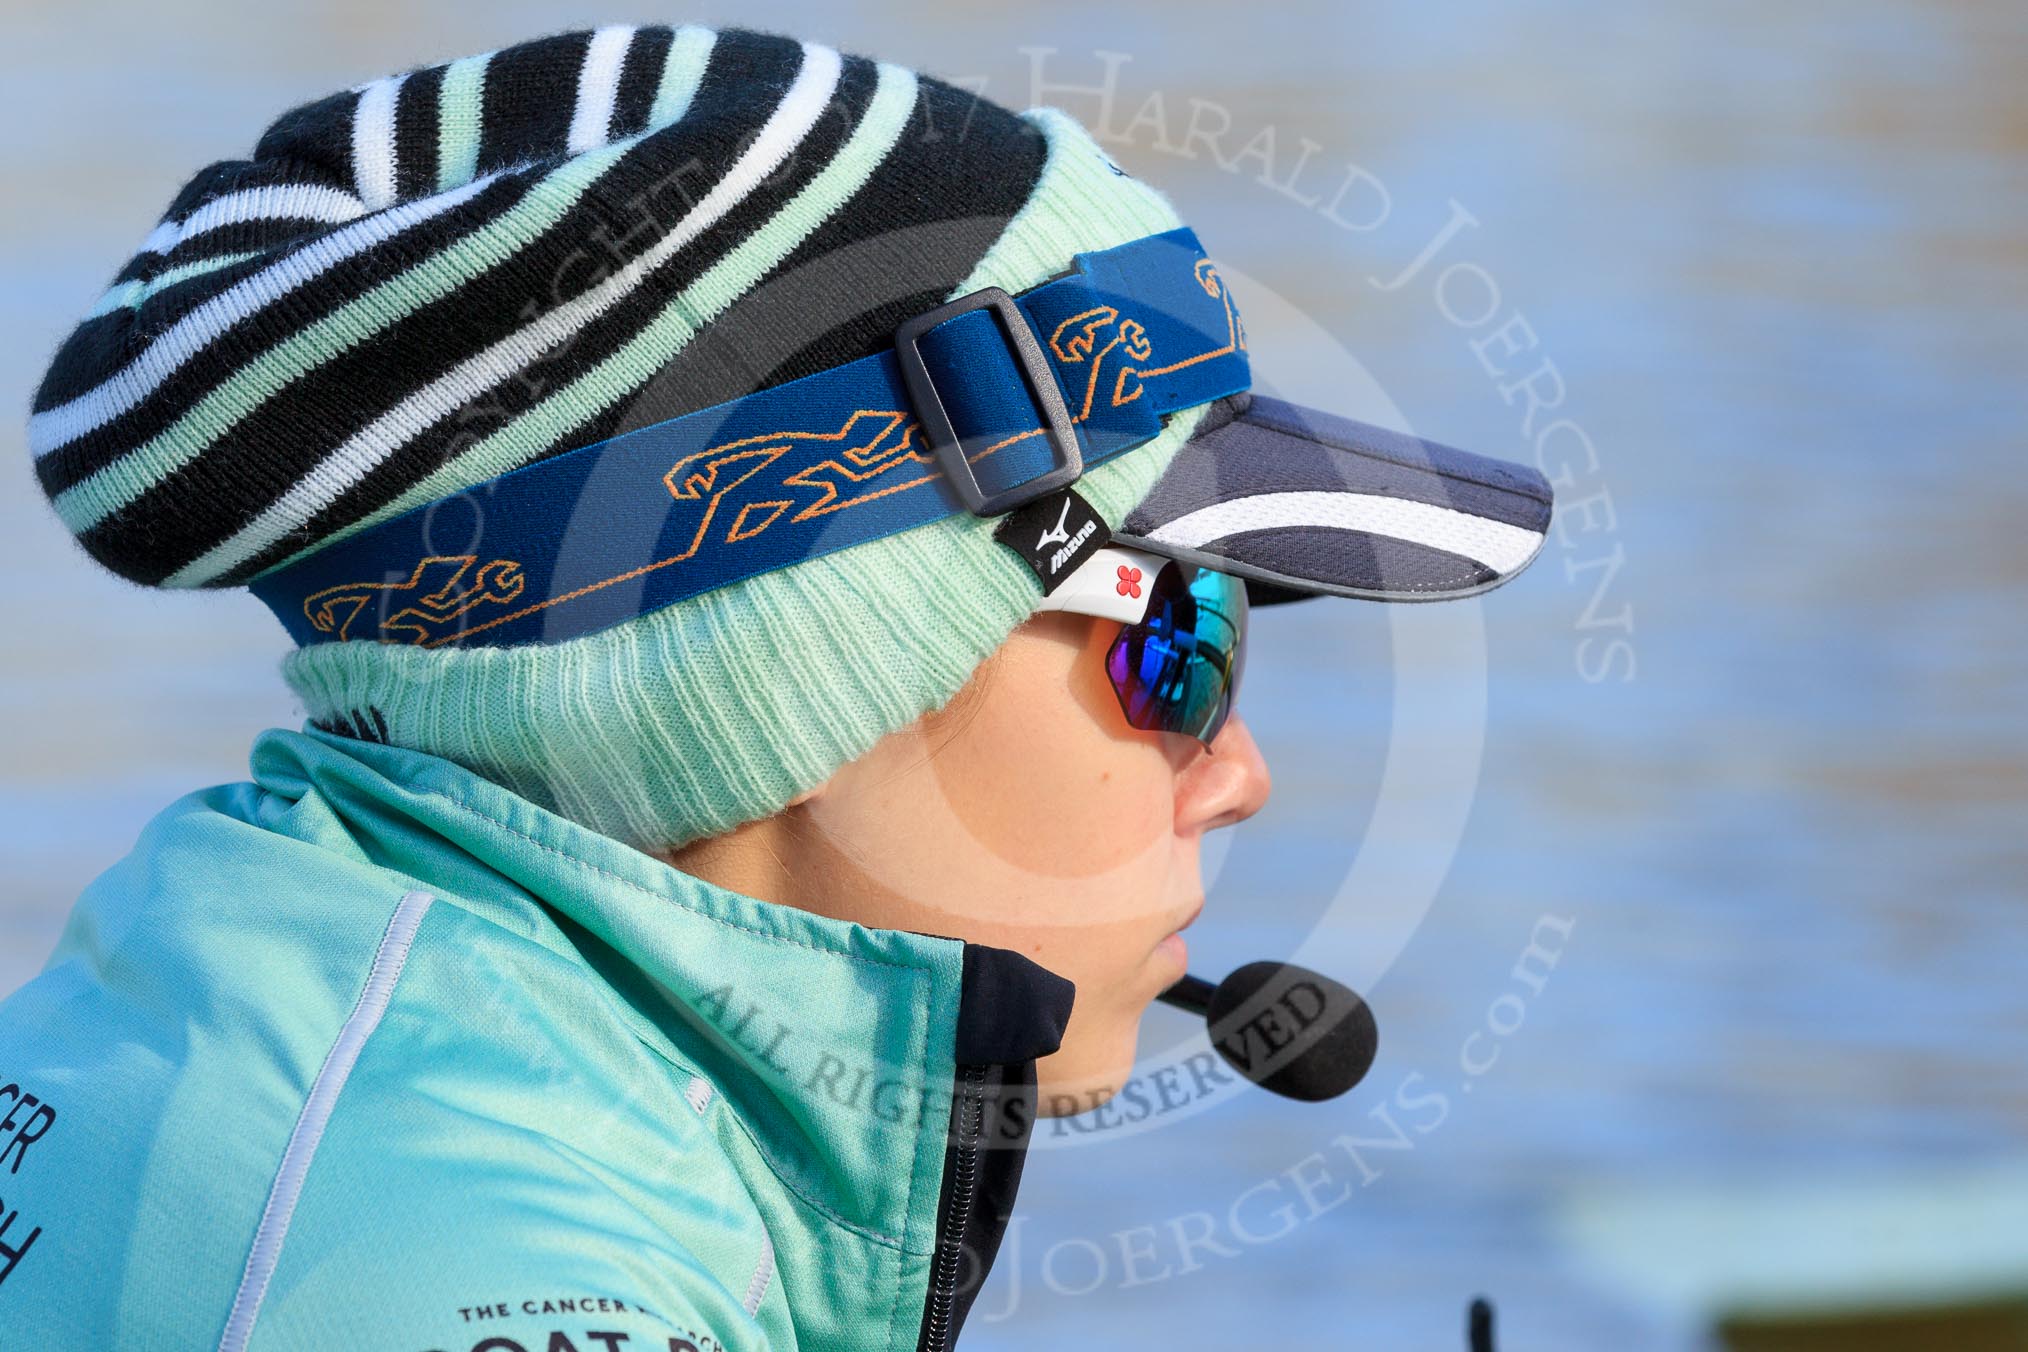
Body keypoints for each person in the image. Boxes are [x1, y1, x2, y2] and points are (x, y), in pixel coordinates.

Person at [1, 22, 1552, 1351]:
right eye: (1178, 635)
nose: (1241, 773)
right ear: (800, 669)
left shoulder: (226, 994)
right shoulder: (479, 1280)